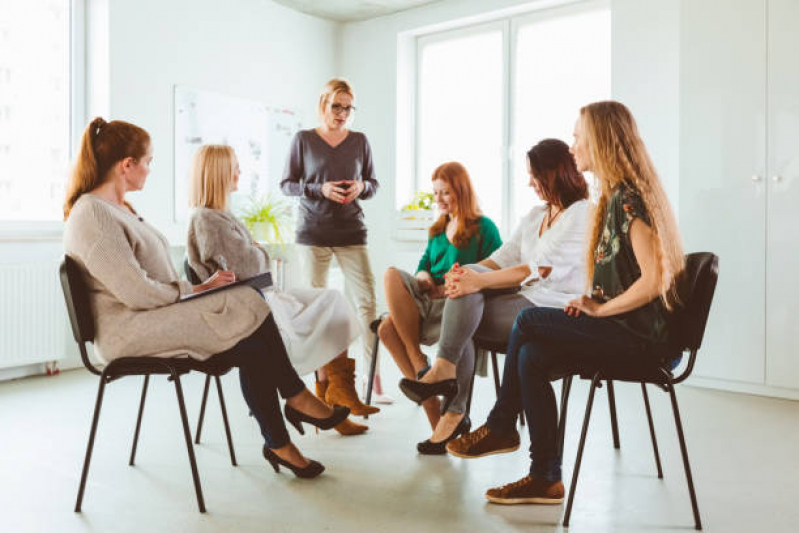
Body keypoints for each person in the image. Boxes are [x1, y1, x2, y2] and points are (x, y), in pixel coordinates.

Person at [63, 117, 350, 479]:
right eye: (148, 162)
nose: (150, 170)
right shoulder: (93, 214)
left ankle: (280, 440)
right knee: (248, 306)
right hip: (128, 329)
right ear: (126, 166)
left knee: (252, 332)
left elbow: (151, 283)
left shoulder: (120, 210)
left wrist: (195, 290)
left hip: (150, 315)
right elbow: (136, 291)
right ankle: (295, 401)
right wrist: (194, 290)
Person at [446, 101, 685, 505]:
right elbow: (622, 276)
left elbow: (654, 281)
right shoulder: (613, 200)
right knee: (532, 355)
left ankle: (502, 424)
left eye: (577, 137)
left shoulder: (629, 201)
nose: (572, 146)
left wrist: (600, 309)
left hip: (642, 337)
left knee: (530, 322)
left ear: (601, 141)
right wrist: (592, 299)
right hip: (624, 328)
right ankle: (546, 478)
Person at [397, 139, 589, 455]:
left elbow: (537, 268)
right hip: (526, 298)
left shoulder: (581, 213)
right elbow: (504, 256)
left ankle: (448, 389)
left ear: (554, 173)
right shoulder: (536, 215)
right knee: (466, 288)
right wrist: (467, 273)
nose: (530, 183)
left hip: (552, 306)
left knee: (464, 312)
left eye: (534, 175)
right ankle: (451, 400)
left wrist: (473, 281)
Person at [186, 144, 378, 436]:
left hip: (264, 293)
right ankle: (322, 404)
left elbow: (251, 259)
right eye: (234, 166)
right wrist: (257, 252)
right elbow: (249, 265)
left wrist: (255, 252)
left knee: (332, 300)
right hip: (249, 304)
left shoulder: (222, 215)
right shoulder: (207, 219)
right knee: (318, 314)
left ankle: (337, 391)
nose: (239, 172)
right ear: (218, 173)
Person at [280, 78, 389, 403]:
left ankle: (373, 380)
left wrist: (361, 188)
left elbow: (374, 183)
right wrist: (319, 189)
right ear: (323, 105)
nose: (342, 113)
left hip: (352, 232)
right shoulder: (303, 140)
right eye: (336, 106)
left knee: (367, 302)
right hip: (313, 233)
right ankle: (324, 380)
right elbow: (287, 184)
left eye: (348, 107)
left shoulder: (359, 141)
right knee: (317, 307)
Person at [380, 161, 502, 453]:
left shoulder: (483, 227)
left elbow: (497, 269)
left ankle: (444, 416)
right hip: (430, 301)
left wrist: (458, 283)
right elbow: (423, 266)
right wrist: (423, 279)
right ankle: (421, 368)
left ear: (461, 190)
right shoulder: (437, 229)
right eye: (436, 193)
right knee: (390, 281)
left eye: (445, 193)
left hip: (459, 305)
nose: (439, 200)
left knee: (388, 327)